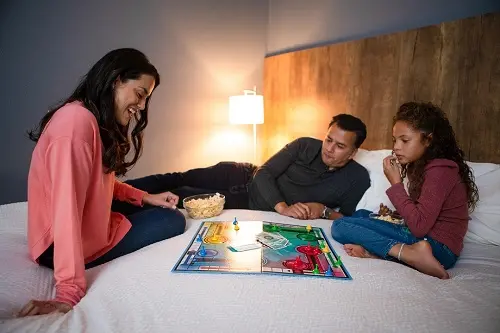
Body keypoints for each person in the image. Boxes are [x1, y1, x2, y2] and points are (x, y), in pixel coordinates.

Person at [17, 48, 186, 317]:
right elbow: (66, 209)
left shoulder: (89, 117)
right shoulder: (76, 123)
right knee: (173, 220)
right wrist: (68, 292)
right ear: (116, 80)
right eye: (140, 95)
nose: (141, 107)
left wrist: (145, 198)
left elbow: (99, 183)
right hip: (56, 244)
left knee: (161, 202)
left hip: (82, 223)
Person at [117, 114, 371, 220]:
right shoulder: (305, 145)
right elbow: (264, 173)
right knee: (174, 177)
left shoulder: (357, 178)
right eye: (328, 139)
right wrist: (283, 208)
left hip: (249, 199)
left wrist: (324, 211)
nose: (329, 148)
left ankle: (116, 210)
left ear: (353, 152)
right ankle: (112, 192)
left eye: (339, 146)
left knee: (182, 194)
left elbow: (346, 220)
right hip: (243, 172)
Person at [331, 102, 479, 279]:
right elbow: (420, 213)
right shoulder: (423, 166)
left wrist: (396, 183)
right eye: (395, 140)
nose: (396, 147)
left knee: (341, 226)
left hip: (439, 249)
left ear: (428, 140)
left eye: (405, 140)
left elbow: (418, 227)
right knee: (361, 214)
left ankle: (408, 254)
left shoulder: (440, 170)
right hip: (430, 243)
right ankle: (383, 253)